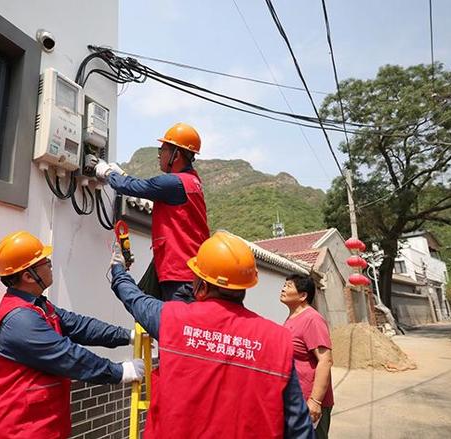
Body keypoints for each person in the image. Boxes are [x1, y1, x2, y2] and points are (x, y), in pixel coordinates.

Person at [109, 231, 314, 438]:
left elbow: (135, 300)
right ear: (245, 287)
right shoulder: (277, 339)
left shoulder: (171, 319)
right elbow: (299, 428)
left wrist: (118, 270)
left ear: (202, 286)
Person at [0, 231, 145, 439]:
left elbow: (79, 326)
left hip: (40, 424)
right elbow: (67, 356)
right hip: (19, 429)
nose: (50, 264)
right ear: (28, 276)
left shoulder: (39, 305)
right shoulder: (20, 320)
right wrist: (118, 372)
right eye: (44, 261)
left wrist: (126, 335)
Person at [94, 122, 209, 303]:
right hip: (184, 269)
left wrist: (107, 173)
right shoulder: (191, 182)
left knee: (171, 324)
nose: (159, 155)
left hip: (179, 274)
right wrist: (122, 175)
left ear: (176, 154)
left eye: (162, 150)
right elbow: (146, 187)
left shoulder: (174, 183)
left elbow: (137, 187)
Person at [279, 275, 335, 439]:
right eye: (284, 285)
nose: (283, 288)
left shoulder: (312, 319)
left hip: (310, 401)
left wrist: (315, 401)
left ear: (303, 295)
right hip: (297, 398)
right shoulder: (292, 318)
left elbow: (325, 359)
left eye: (289, 286)